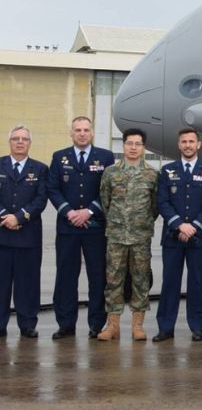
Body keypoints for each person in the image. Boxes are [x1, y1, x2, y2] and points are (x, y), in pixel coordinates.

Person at [47, 116, 115, 339]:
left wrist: (89, 211)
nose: (82, 133)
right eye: (78, 130)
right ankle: (66, 324)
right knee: (66, 275)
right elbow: (53, 189)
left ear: (92, 132)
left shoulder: (105, 157)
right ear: (71, 133)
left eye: (86, 130)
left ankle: (97, 324)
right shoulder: (59, 157)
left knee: (98, 277)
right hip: (68, 227)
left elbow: (108, 190)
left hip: (95, 227)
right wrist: (70, 212)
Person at [155, 128, 202, 342]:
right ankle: (165, 327)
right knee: (170, 283)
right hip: (172, 237)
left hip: (198, 237)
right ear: (179, 145)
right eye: (184, 141)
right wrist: (179, 225)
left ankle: (197, 327)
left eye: (192, 141)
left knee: (197, 283)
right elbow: (162, 201)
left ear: (199, 144)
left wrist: (194, 226)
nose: (188, 145)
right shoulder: (167, 171)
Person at [95, 128, 158, 341]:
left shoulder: (151, 174)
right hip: (116, 236)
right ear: (123, 146)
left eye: (137, 144)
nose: (133, 147)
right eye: (129, 143)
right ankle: (112, 326)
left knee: (140, 279)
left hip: (141, 237)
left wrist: (141, 222)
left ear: (143, 147)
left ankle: (137, 326)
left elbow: (155, 206)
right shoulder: (111, 173)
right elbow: (106, 201)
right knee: (113, 280)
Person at [0, 126, 48, 338]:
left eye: (24, 139)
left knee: (27, 284)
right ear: (9, 142)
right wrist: (5, 217)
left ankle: (27, 324)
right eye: (16, 139)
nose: (20, 142)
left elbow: (41, 199)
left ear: (30, 143)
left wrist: (19, 217)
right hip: (2, 235)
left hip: (28, 236)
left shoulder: (40, 169)